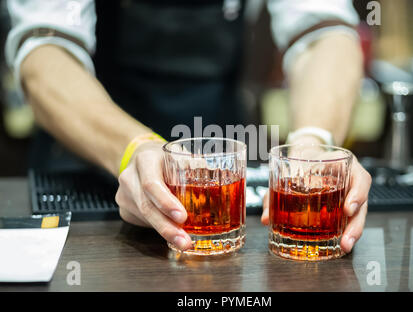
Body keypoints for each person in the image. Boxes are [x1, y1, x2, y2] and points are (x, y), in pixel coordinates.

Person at [5, 0, 371, 253]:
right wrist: (135, 147)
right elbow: (44, 46)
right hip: (84, 169)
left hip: (219, 174)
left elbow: (323, 31)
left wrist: (313, 144)